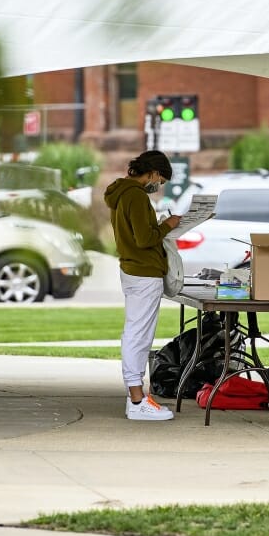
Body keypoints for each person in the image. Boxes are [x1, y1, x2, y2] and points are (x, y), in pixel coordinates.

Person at [104, 150, 182, 421]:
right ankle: (137, 401)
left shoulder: (120, 193)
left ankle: (136, 397)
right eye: (159, 181)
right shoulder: (135, 196)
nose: (157, 186)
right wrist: (168, 225)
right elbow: (144, 238)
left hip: (133, 269)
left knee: (135, 332)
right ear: (151, 173)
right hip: (144, 272)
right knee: (139, 335)